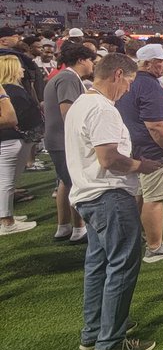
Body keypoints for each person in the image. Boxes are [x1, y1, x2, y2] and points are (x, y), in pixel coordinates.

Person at [64, 52, 163, 350]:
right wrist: (140, 165)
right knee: (122, 264)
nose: (129, 89)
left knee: (98, 264)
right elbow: (108, 158)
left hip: (88, 194)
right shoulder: (102, 108)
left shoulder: (81, 104)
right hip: (108, 194)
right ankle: (110, 340)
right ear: (118, 74)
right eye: (129, 81)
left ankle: (95, 330)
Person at [117, 43, 163, 263]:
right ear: (146, 63)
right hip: (153, 151)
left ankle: (139, 237)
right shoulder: (149, 86)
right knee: (154, 198)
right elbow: (155, 125)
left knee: (141, 195)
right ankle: (155, 246)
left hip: (135, 147)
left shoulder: (132, 82)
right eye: (160, 61)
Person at [42, 42, 95, 242]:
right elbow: (69, 113)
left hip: (56, 139)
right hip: (64, 141)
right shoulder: (68, 78)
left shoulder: (63, 77)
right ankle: (79, 229)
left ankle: (64, 226)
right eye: (90, 60)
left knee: (65, 182)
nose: (92, 64)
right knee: (75, 182)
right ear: (81, 60)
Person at [0, 54, 43, 235]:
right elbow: (17, 118)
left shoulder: (11, 89)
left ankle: (6, 216)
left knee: (7, 182)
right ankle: (7, 222)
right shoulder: (12, 91)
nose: (23, 69)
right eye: (19, 66)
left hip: (12, 139)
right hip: (10, 139)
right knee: (7, 182)